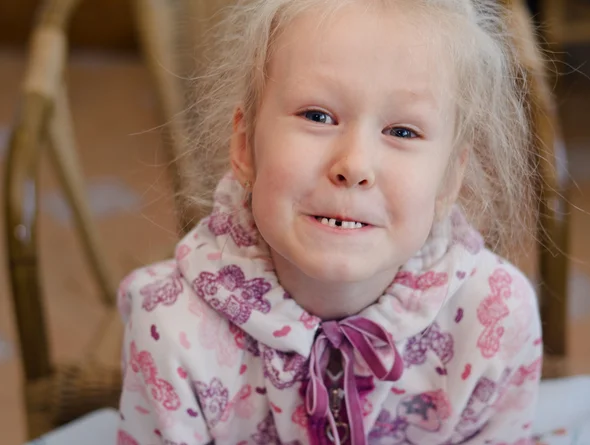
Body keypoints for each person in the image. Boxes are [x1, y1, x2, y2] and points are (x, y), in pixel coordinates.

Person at [116, 0, 543, 443]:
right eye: (317, 116)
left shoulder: (494, 317)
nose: (354, 164)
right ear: (245, 147)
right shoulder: (169, 325)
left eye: (402, 132)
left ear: (449, 178)